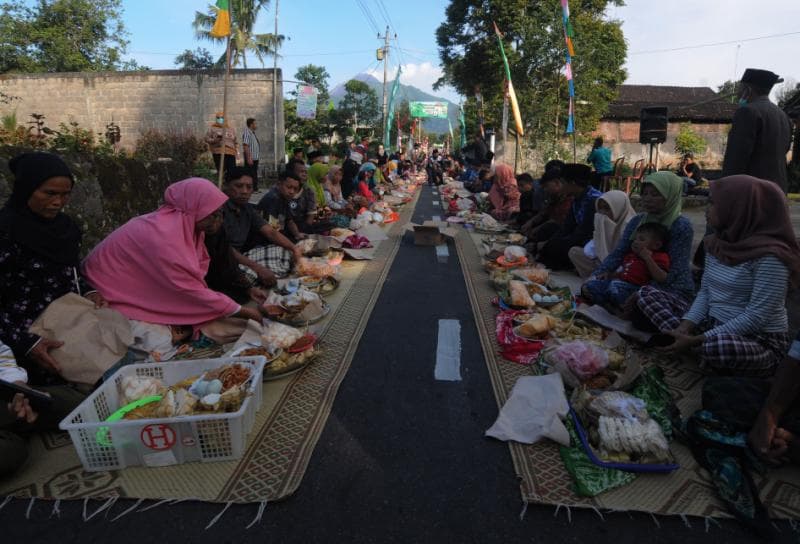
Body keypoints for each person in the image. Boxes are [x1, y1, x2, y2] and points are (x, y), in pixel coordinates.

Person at [655, 176, 800, 377]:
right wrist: (684, 326)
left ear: (740, 210)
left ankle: (697, 349)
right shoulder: (716, 244)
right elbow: (705, 292)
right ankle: (689, 345)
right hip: (713, 322)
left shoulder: (771, 257)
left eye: (713, 203)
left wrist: (700, 339)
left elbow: (756, 317)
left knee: (718, 346)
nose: (707, 209)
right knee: (649, 295)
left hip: (756, 338)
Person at [82, 178, 265, 334]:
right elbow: (188, 289)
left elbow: (224, 262)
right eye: (212, 214)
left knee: (223, 315)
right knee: (163, 339)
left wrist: (246, 290)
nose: (217, 219)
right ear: (194, 207)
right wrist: (245, 312)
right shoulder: (165, 236)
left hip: (147, 288)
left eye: (219, 214)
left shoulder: (191, 226)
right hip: (107, 295)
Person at [0, 152, 107, 385]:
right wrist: (27, 342)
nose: (58, 202)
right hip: (21, 346)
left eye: (65, 194)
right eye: (49, 193)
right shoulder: (6, 233)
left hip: (68, 333)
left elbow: (70, 271)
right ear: (26, 189)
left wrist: (88, 291)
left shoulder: (65, 230)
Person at [589, 171, 695, 324]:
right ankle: (620, 309)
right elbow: (619, 253)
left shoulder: (681, 226)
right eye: (645, 194)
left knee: (643, 307)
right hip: (633, 283)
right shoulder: (638, 221)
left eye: (655, 195)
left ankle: (620, 310)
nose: (647, 199)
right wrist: (599, 273)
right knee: (590, 287)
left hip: (668, 288)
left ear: (670, 196)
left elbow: (674, 273)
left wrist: (640, 293)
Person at [1, 342, 85, 477]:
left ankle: (19, 423)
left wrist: (18, 385)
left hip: (5, 395)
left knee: (77, 404)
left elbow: (2, 357)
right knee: (11, 453)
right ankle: (15, 429)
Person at [220, 166, 302, 282]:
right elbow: (226, 249)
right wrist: (257, 268)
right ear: (226, 186)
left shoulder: (247, 208)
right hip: (225, 260)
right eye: (239, 186)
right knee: (245, 279)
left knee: (286, 252)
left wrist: (294, 249)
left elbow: (270, 232)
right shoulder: (219, 211)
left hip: (243, 255)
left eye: (249, 187)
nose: (244, 191)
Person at [722, 68, 793, 192]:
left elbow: (736, 158)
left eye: (739, 89)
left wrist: (724, 189)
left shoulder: (747, 112)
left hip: (752, 191)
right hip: (778, 190)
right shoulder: (784, 116)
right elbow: (785, 150)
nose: (738, 94)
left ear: (747, 91)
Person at [582, 222, 670, 310]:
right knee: (589, 285)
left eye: (641, 239)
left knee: (614, 287)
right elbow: (621, 272)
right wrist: (608, 275)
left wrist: (648, 259)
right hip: (617, 284)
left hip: (633, 290)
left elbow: (662, 278)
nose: (635, 242)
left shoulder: (659, 257)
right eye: (635, 239)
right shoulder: (631, 256)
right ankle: (608, 305)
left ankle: (614, 306)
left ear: (656, 245)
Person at [538, 164, 602, 270]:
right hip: (579, 236)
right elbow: (567, 226)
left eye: (563, 183)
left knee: (554, 248)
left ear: (572, 183)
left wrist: (550, 244)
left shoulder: (594, 200)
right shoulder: (576, 198)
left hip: (591, 243)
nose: (561, 186)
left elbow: (583, 232)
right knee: (550, 231)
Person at [568, 189, 636, 278]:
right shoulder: (602, 220)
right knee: (574, 252)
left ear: (618, 207)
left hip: (620, 266)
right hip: (602, 261)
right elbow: (591, 250)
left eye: (607, 208)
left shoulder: (630, 225)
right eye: (600, 208)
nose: (602, 212)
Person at [521, 168, 573, 252]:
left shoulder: (569, 198)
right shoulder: (554, 196)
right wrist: (530, 222)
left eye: (546, 186)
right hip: (554, 227)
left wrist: (536, 229)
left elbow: (558, 221)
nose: (545, 189)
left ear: (557, 183)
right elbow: (544, 212)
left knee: (548, 229)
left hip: (564, 234)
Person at [242, 117, 260, 191]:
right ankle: (250, 189)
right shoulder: (247, 132)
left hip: (255, 158)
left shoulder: (252, 133)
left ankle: (255, 188)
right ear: (251, 124)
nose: (256, 125)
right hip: (250, 158)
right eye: (255, 123)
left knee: (254, 173)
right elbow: (246, 145)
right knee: (249, 174)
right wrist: (248, 158)